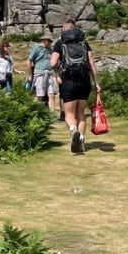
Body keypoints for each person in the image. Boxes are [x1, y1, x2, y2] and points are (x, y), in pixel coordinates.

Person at [51, 18, 100, 155]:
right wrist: (96, 83)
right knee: (81, 113)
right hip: (84, 81)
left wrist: (57, 74)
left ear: (64, 29)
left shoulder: (60, 43)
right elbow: (91, 63)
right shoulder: (84, 43)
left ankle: (73, 131)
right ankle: (82, 142)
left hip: (68, 81)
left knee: (69, 114)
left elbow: (53, 63)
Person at [27, 33, 58, 110]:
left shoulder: (50, 50)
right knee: (39, 96)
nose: (50, 43)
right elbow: (29, 61)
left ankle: (51, 114)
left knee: (51, 95)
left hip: (50, 74)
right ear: (45, 40)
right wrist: (30, 75)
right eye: (49, 41)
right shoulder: (36, 48)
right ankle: (33, 111)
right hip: (40, 74)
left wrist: (56, 74)